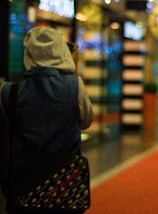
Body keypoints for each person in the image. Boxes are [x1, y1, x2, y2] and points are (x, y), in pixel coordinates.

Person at [0, 27, 93, 213]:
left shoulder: (9, 92)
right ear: (61, 52)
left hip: (25, 183)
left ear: (28, 54)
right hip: (64, 183)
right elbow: (86, 122)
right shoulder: (76, 86)